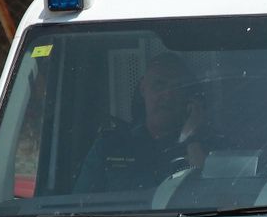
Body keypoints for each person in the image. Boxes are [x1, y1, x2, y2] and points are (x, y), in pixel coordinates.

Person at [74, 54, 210, 193]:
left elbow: (212, 196)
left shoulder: (210, 149)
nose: (168, 95)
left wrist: (192, 139)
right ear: (143, 89)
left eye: (178, 87)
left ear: (189, 97)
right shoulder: (109, 146)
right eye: (159, 84)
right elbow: (79, 206)